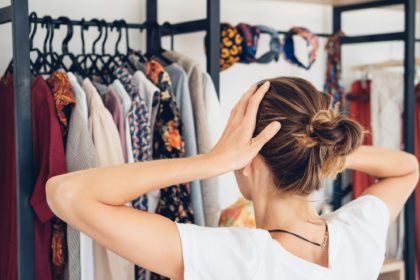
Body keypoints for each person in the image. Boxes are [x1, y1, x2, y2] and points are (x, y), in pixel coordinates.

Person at [46, 77, 418, 279]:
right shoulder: (358, 236)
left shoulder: (234, 260)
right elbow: (408, 168)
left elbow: (65, 193)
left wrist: (209, 162)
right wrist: (322, 149)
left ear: (246, 157)